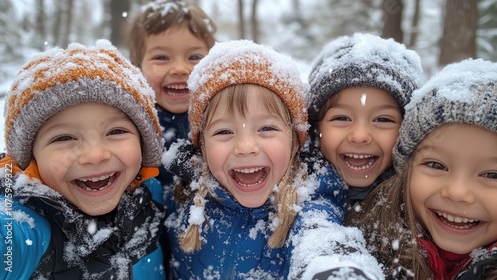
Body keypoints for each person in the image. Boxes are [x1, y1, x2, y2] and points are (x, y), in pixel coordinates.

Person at [162, 39, 384, 279]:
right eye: (224, 132)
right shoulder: (185, 191)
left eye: (267, 128)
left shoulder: (307, 202)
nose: (246, 147)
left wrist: (336, 268)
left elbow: (320, 237)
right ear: (202, 146)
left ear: (294, 140)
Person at [0, 40, 166, 279]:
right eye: (64, 137)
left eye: (116, 132)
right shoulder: (28, 225)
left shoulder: (150, 191)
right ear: (30, 158)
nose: (95, 155)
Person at [352, 58, 497, 279]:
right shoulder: (364, 247)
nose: (458, 193)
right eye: (436, 165)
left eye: (491, 175)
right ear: (406, 171)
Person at [306, 33, 423, 214]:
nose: (360, 136)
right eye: (342, 118)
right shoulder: (287, 197)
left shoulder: (418, 207)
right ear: (316, 127)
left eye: (383, 119)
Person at [126, 0, 217, 189]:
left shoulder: (220, 116)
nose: (179, 69)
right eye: (161, 58)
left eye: (194, 57)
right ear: (138, 66)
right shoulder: (132, 124)